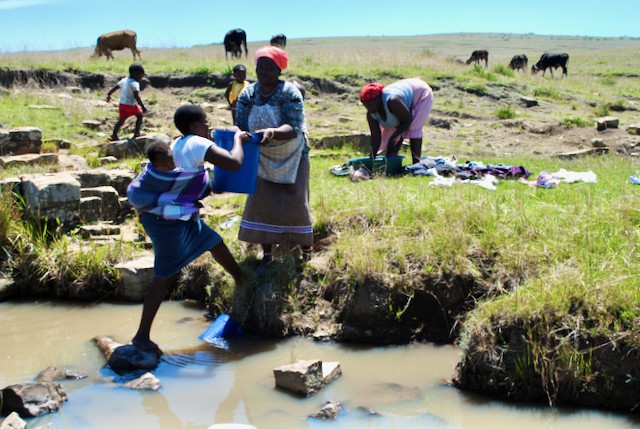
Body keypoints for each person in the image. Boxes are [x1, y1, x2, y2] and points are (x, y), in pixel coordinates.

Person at [128, 104, 248, 354]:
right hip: (168, 222)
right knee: (163, 278)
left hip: (179, 216)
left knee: (214, 242)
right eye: (205, 121)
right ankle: (141, 336)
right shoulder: (196, 142)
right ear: (195, 126)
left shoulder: (181, 144)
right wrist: (238, 139)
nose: (209, 126)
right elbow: (234, 163)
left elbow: (188, 183)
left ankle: (242, 280)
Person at [235, 46, 313, 269]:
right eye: (260, 67)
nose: (264, 71)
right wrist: (239, 134)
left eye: (270, 67)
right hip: (260, 154)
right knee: (262, 203)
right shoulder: (247, 94)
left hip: (292, 154)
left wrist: (271, 132)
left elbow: (294, 126)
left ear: (279, 70)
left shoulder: (290, 92)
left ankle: (306, 250)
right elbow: (240, 124)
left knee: (295, 200)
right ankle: (267, 254)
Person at [360, 78, 434, 165]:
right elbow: (376, 137)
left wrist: (393, 138)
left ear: (378, 100)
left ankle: (416, 165)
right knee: (393, 134)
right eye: (365, 106)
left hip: (419, 92)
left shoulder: (393, 101)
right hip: (404, 93)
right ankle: (392, 163)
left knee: (414, 128)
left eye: (370, 105)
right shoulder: (371, 114)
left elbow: (407, 120)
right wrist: (371, 159)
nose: (368, 109)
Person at [106, 63, 149, 141]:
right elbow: (137, 96)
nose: (141, 78)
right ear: (136, 74)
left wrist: (109, 95)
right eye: (141, 76)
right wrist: (143, 107)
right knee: (139, 116)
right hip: (130, 105)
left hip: (122, 104)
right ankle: (137, 133)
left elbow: (115, 87)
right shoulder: (135, 83)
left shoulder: (124, 80)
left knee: (121, 120)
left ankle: (114, 135)